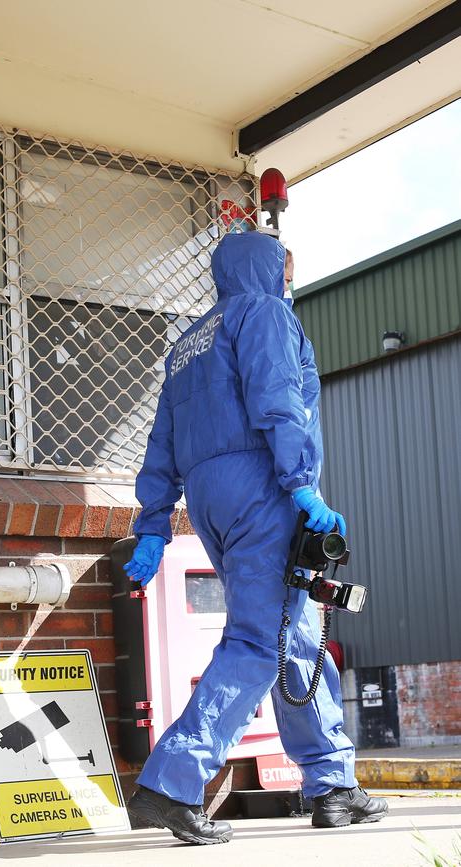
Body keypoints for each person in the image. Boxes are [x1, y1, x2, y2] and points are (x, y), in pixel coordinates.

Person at [125, 231, 387, 845]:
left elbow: (160, 443)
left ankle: (332, 784)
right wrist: (302, 487)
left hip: (209, 498)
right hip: (261, 485)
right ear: (270, 270)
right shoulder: (265, 312)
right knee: (257, 639)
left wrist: (154, 526)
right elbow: (278, 402)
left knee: (290, 636)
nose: (288, 282)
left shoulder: (187, 344)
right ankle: (171, 782)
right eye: (286, 271)